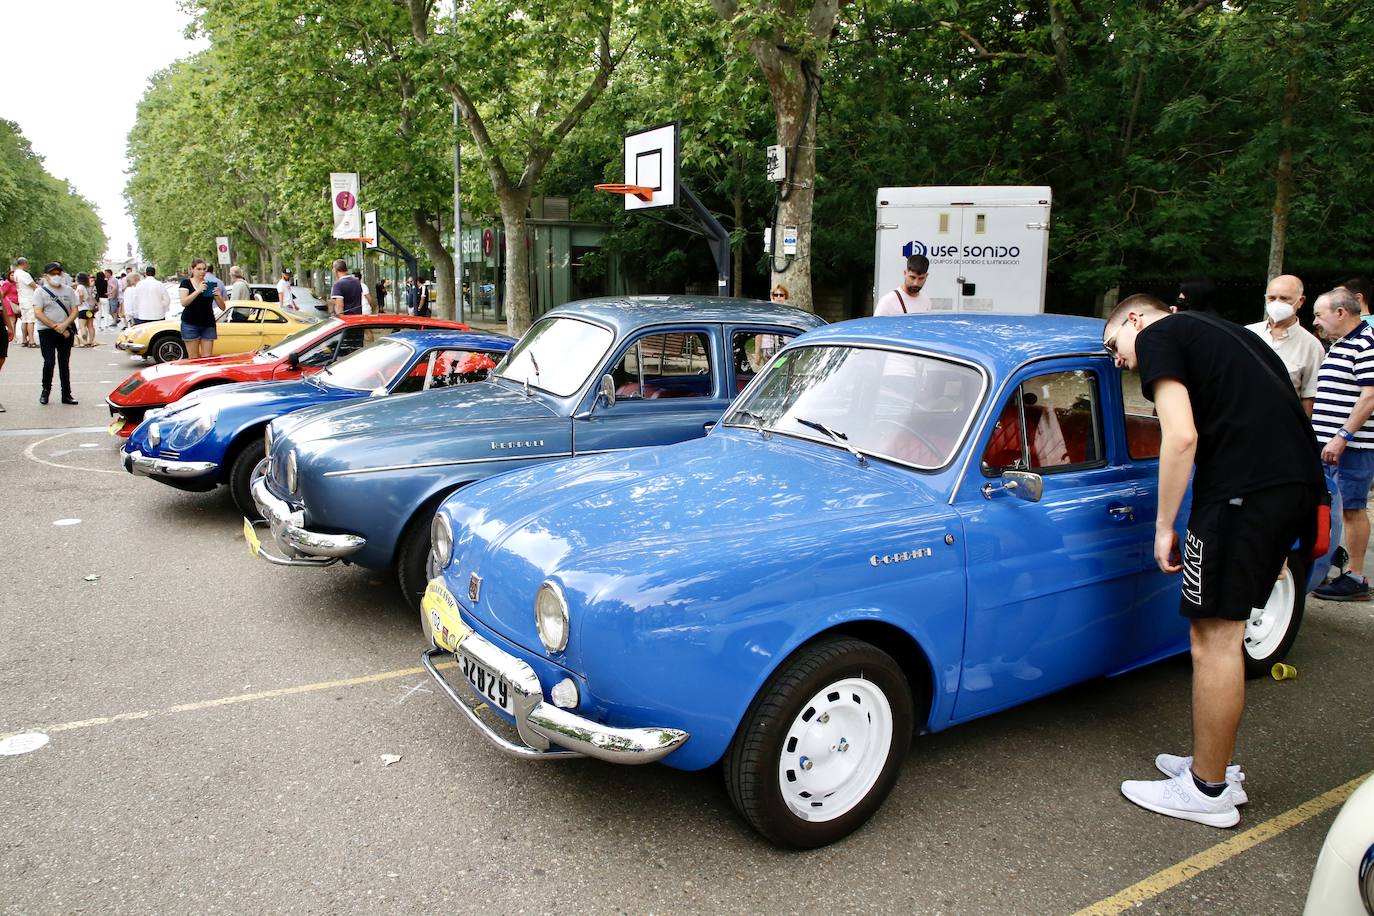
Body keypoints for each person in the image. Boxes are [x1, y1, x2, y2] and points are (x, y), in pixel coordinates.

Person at [1104, 293, 1321, 828]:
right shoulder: (1228, 332)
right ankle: (1212, 764)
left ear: (1135, 318)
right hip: (1290, 488)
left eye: (1114, 347)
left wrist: (1163, 525)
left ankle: (1208, 789)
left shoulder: (1159, 336)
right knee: (1222, 630)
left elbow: (1180, 437)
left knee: (1214, 637)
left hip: (1241, 496)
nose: (1119, 361)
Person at [1309, 287, 1374, 601]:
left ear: (1340, 312)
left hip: (1352, 447)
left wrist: (1342, 436)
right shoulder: (1341, 344)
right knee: (1332, 507)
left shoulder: (1365, 343)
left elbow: (1370, 396)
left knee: (1351, 508)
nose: (1316, 320)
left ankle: (1357, 578)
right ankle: (1334, 562)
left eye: (1320, 314)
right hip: (1328, 444)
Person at [1244, 274, 1323, 414]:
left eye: (1284, 299)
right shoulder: (1247, 334)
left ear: (1301, 301)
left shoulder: (1311, 346)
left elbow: (1309, 398)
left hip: (1285, 424)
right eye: (1272, 298)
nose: (1277, 303)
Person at [32, 262, 80, 404]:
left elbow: (75, 310)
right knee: (49, 362)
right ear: (46, 276)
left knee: (64, 363)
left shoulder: (69, 291)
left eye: (59, 273)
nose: (56, 276)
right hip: (47, 331)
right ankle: (45, 391)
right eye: (53, 274)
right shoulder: (40, 292)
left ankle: (66, 394)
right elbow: (38, 312)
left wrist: (64, 325)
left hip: (65, 330)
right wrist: (54, 326)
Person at [178, 258, 225, 359]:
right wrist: (198, 291)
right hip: (190, 324)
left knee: (207, 358)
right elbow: (184, 302)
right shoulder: (186, 283)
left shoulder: (209, 285)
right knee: (193, 357)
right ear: (192, 269)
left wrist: (217, 295)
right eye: (199, 269)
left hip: (208, 324)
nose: (202, 272)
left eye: (204, 269)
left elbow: (223, 307)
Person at [14, 257, 38, 347]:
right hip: (29, 299)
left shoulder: (16, 273)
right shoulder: (24, 274)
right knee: (31, 320)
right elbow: (33, 285)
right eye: (27, 264)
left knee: (24, 320)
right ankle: (31, 341)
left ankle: (24, 340)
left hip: (22, 298)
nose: (27, 265)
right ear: (24, 263)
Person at [74, 272, 97, 347]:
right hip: (90, 309)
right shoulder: (87, 287)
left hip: (82, 309)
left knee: (82, 326)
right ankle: (91, 341)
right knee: (90, 326)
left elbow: (81, 294)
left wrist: (80, 301)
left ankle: (84, 341)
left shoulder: (80, 286)